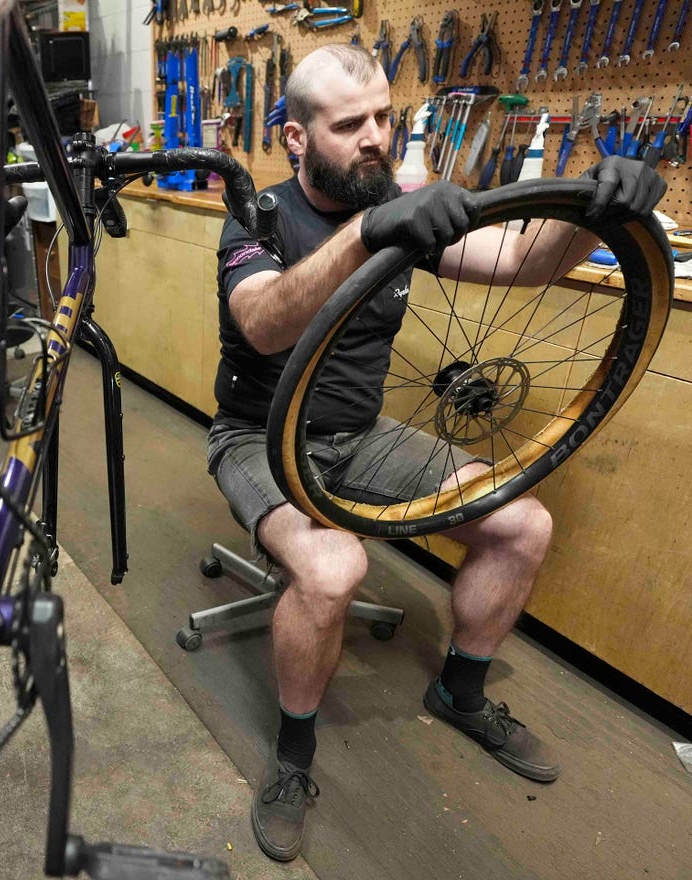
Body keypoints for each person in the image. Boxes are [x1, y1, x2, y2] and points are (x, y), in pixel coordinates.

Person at [208, 43, 667, 863]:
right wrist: (362, 234)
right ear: (294, 138)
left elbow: (522, 264)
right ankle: (293, 757)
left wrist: (594, 215)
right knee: (332, 570)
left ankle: (461, 693)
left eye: (386, 116)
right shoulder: (258, 218)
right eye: (350, 125)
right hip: (257, 435)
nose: (376, 137)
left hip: (363, 436)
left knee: (522, 524)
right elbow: (265, 321)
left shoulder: (401, 205)